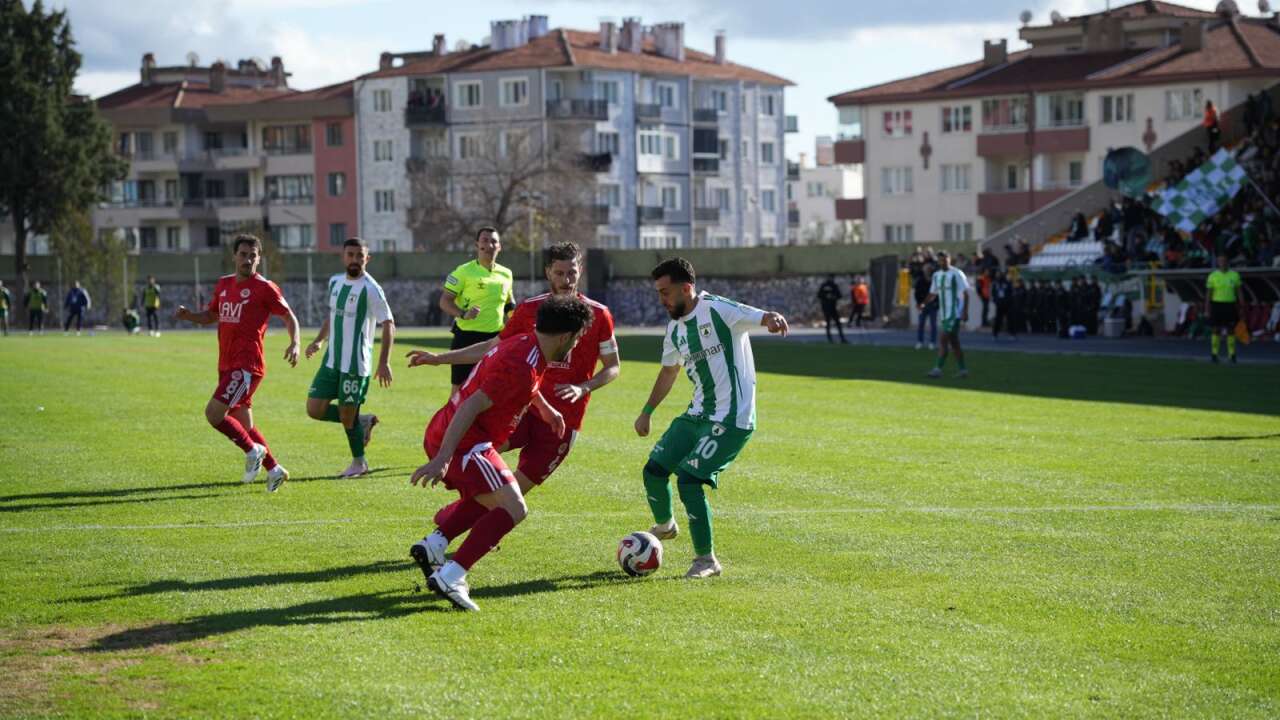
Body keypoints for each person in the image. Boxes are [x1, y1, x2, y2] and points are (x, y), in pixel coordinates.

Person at [406, 242, 621, 577]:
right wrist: (441, 358)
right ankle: (452, 561)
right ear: (548, 272)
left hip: (562, 421)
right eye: (559, 272)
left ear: (580, 271)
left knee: (510, 491)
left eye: (572, 272)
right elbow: (495, 347)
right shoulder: (529, 311)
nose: (566, 279)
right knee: (499, 492)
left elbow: (613, 367)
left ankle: (441, 540)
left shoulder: (597, 314)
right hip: (519, 411)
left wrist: (584, 387)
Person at [408, 295, 594, 611]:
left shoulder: (527, 343)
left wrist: (546, 410)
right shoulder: (522, 364)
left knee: (492, 500)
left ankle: (435, 545)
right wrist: (444, 457)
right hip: (464, 442)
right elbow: (471, 405)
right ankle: (452, 575)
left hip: (456, 435)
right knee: (514, 507)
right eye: (576, 339)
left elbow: (527, 386)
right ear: (565, 336)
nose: (575, 346)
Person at [634, 258, 789, 579]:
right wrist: (647, 412)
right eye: (658, 293)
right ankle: (665, 525)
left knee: (689, 480)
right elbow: (669, 370)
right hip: (696, 414)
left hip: (732, 419)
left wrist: (771, 318)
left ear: (686, 288)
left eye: (665, 292)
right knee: (654, 470)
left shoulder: (717, 309)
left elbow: (756, 315)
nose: (661, 300)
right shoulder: (675, 328)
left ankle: (706, 560)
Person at [174, 234, 300, 491]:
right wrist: (189, 316)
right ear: (234, 256)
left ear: (259, 258)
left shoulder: (265, 288)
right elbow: (212, 315)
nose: (248, 259)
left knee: (214, 413)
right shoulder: (223, 285)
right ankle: (274, 470)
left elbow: (289, 317)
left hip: (247, 366)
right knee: (244, 424)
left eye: (253, 255)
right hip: (227, 364)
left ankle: (253, 451)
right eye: (243, 254)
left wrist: (295, 342)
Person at [304, 238, 395, 478]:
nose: (355, 260)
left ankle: (359, 463)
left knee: (346, 415)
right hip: (331, 359)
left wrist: (384, 361)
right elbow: (332, 316)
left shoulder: (371, 289)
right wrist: (318, 340)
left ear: (367, 259)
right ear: (343, 256)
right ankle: (361, 420)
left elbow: (388, 324)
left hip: (356, 363)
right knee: (314, 409)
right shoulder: (335, 282)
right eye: (351, 255)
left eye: (359, 256)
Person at [440, 227, 514, 394]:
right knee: (459, 391)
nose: (489, 245)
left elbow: (509, 303)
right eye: (485, 240)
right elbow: (444, 301)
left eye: (494, 241)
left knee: (492, 389)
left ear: (499, 246)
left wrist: (515, 322)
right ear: (477, 245)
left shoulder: (506, 274)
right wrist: (463, 314)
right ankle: (450, 420)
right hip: (466, 337)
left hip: (495, 339)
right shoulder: (463, 272)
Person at [923, 251, 969, 378]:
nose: (943, 262)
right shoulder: (937, 275)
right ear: (938, 261)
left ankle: (937, 369)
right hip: (943, 314)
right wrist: (923, 304)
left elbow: (966, 294)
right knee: (954, 343)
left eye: (945, 260)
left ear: (950, 259)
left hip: (954, 313)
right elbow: (933, 293)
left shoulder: (957, 274)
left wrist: (965, 311)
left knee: (943, 339)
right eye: (941, 260)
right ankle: (963, 370)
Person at [1205, 254, 1243, 363]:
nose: (1222, 263)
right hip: (1217, 304)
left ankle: (1232, 354)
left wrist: (1241, 305)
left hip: (1230, 305)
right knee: (1216, 329)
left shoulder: (1234, 275)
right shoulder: (1213, 276)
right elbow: (1209, 293)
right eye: (1220, 261)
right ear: (1217, 262)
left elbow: (1239, 291)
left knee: (1231, 330)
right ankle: (1214, 354)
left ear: (1227, 262)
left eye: (1224, 260)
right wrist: (1207, 309)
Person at [816, 275, 846, 344]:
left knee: (837, 323)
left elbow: (839, 295)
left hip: (832, 307)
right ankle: (830, 339)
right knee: (829, 323)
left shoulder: (834, 285)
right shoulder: (824, 285)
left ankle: (841, 338)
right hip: (827, 308)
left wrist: (832, 296)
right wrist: (826, 297)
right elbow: (819, 295)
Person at [913, 264, 936, 350]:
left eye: (929, 269)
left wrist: (936, 304)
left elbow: (936, 293)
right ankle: (920, 341)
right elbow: (916, 293)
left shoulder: (934, 281)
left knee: (933, 325)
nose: (927, 271)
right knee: (921, 324)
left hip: (932, 306)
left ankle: (932, 342)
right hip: (922, 305)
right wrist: (919, 303)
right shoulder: (920, 280)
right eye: (926, 269)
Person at [991, 271, 1013, 340]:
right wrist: (995, 301)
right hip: (999, 304)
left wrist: (1008, 301)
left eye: (1000, 275)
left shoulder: (1007, 283)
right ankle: (995, 334)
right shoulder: (995, 283)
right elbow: (993, 293)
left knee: (1009, 319)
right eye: (998, 275)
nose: (999, 276)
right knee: (998, 320)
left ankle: (1011, 334)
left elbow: (1010, 293)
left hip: (1007, 304)